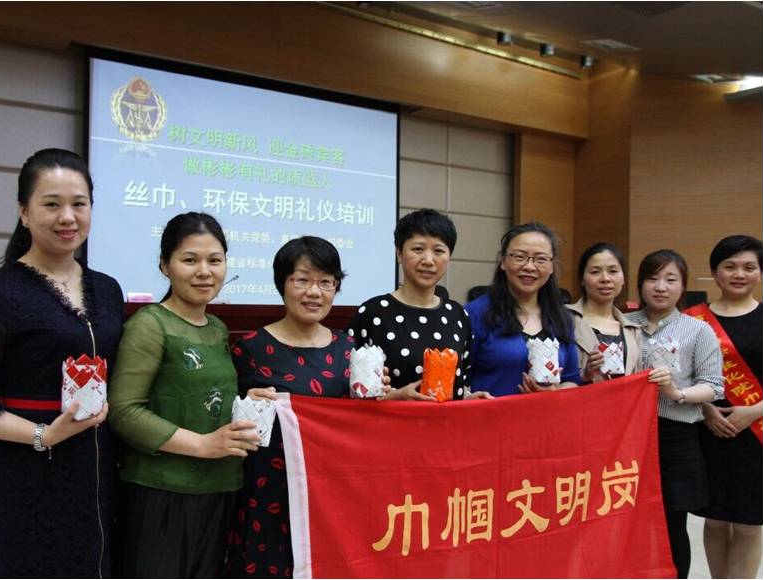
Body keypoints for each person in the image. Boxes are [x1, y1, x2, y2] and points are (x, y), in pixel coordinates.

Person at [0, 148, 124, 578]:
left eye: (79, 204)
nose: (68, 217)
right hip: (24, 470)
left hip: (95, 467)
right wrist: (44, 435)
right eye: (51, 204)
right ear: (24, 212)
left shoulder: (108, 289)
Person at [108, 212, 260, 578]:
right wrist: (203, 445)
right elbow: (124, 411)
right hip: (161, 490)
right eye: (190, 260)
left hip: (219, 487)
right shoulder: (150, 324)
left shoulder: (217, 328)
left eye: (215, 260)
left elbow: (201, 394)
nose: (204, 271)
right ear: (165, 265)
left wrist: (247, 398)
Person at [227, 236, 363, 578]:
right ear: (282, 284)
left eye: (326, 282)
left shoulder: (349, 349)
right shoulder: (251, 348)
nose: (314, 292)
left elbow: (362, 421)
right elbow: (233, 420)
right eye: (301, 280)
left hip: (331, 492)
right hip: (269, 492)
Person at [625, 249, 724, 579]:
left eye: (670, 279)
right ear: (640, 283)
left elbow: (713, 386)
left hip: (675, 436)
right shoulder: (624, 324)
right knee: (626, 519)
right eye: (652, 278)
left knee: (670, 524)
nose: (660, 287)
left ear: (683, 286)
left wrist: (676, 393)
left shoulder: (697, 331)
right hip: (628, 438)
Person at [349, 208, 491, 401]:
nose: (428, 260)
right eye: (418, 249)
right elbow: (353, 391)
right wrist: (397, 396)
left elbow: (461, 381)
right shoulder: (373, 313)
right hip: (394, 421)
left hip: (450, 421)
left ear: (449, 257)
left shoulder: (458, 314)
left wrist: (469, 398)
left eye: (439, 251)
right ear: (399, 253)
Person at [689, 235, 762, 579]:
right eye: (730, 266)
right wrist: (706, 410)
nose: (739, 274)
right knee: (715, 518)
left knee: (749, 521)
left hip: (758, 433)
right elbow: (680, 376)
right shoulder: (692, 320)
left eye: (749, 267)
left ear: (760, 273)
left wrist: (756, 410)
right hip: (709, 431)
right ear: (715, 272)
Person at [465, 222, 580, 396]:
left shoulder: (562, 317)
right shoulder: (475, 314)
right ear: (503, 261)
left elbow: (572, 379)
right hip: (492, 412)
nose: (529, 267)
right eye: (519, 257)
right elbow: (457, 380)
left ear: (551, 267)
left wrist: (554, 392)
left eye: (541, 259)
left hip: (546, 413)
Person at [566, 242, 642, 383]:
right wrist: (584, 374)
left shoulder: (633, 330)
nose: (605, 279)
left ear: (623, 278)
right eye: (595, 272)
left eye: (613, 271)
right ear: (582, 279)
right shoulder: (565, 318)